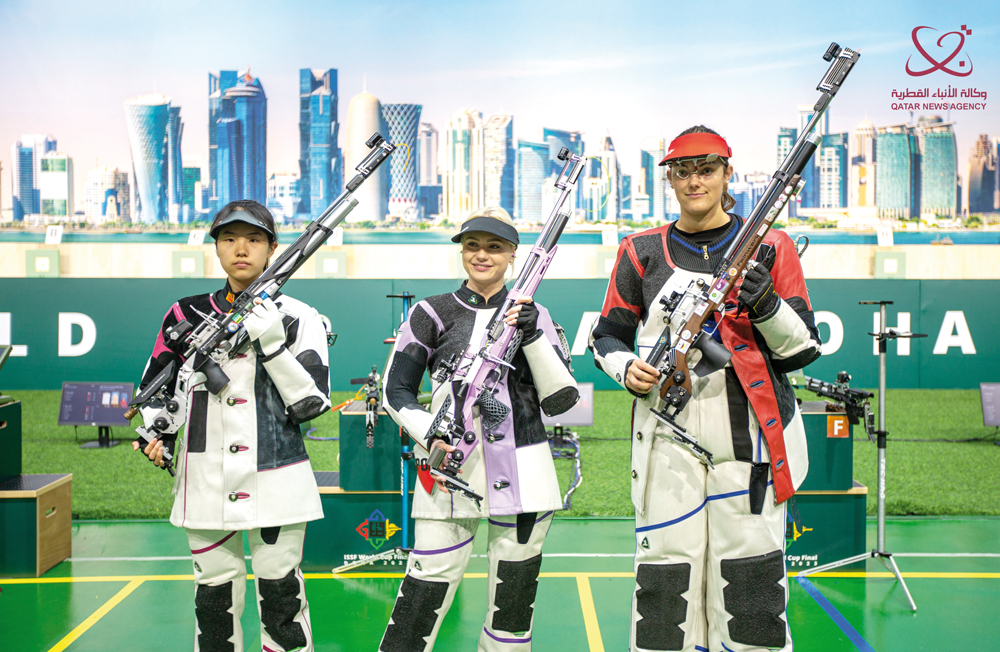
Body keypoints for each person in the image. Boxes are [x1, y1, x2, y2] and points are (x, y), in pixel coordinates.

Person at [590, 127, 822, 652]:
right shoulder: (639, 250)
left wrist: (764, 305)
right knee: (664, 587)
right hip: (665, 436)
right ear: (669, 178)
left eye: (706, 168)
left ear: (727, 174)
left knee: (752, 584)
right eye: (681, 169)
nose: (694, 179)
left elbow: (803, 351)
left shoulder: (771, 246)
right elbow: (606, 336)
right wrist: (626, 368)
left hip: (753, 438)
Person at [378, 207, 579, 652]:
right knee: (422, 596)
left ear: (512, 256)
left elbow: (562, 399)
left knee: (512, 607)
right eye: (472, 246)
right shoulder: (431, 312)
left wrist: (532, 336)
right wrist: (432, 433)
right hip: (449, 471)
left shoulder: (536, 315)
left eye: (494, 247)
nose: (482, 255)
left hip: (526, 473)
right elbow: (396, 390)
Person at [134, 200, 331, 652]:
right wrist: (157, 432)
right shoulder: (184, 313)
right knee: (213, 600)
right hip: (203, 474)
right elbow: (157, 383)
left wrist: (273, 343)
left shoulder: (299, 315)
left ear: (272, 248)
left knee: (282, 596)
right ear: (217, 248)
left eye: (254, 239)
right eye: (229, 238)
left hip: (278, 475)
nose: (241, 248)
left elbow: (312, 404)